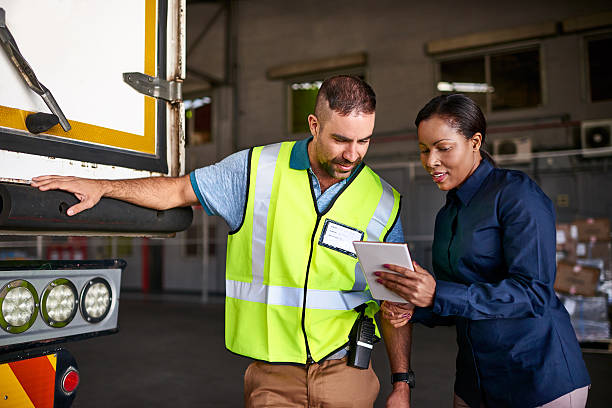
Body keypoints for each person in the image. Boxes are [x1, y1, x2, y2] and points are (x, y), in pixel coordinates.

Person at [32, 75, 403, 407]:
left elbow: (397, 302)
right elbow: (175, 191)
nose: (352, 154)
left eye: (363, 141)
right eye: (340, 139)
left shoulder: (383, 201)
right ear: (314, 125)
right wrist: (103, 187)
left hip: (348, 373)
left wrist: (402, 381)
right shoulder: (257, 170)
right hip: (274, 379)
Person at [377, 94, 590, 408]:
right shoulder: (448, 214)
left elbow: (534, 293)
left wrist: (437, 294)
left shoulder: (517, 195)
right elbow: (460, 299)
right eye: (423, 150)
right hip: (475, 381)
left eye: (443, 148)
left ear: (475, 141)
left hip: (538, 379)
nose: (430, 161)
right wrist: (417, 307)